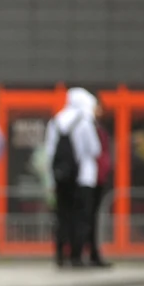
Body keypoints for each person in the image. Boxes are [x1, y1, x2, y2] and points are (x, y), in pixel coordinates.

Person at [44, 87, 101, 268]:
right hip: (83, 177)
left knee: (63, 217)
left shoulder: (56, 121)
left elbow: (50, 151)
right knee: (81, 218)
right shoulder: (84, 121)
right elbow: (94, 149)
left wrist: (52, 178)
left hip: (61, 176)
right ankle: (76, 256)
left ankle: (60, 254)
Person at [90, 105, 113, 268]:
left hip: (97, 177)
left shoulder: (99, 129)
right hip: (91, 178)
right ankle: (88, 253)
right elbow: (94, 151)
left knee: (92, 218)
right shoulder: (88, 127)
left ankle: (93, 253)